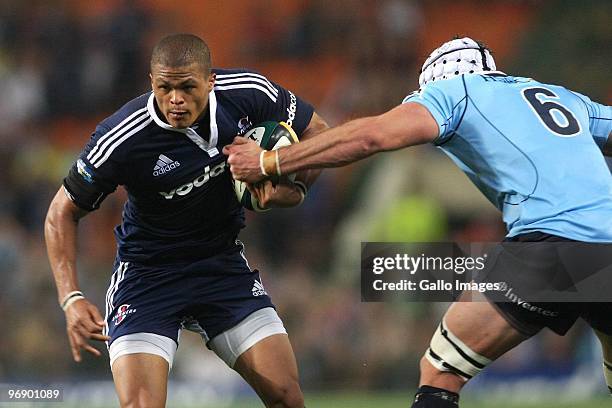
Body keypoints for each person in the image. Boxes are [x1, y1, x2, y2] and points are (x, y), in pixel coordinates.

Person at [224, 37, 612, 407]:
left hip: (553, 243)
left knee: (441, 370)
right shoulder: (560, 97)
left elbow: (372, 136)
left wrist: (268, 162)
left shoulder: (455, 91)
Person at [45, 33, 328, 408]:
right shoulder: (121, 137)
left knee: (287, 396)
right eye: (165, 87)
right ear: (151, 82)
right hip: (148, 277)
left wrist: (294, 189)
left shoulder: (248, 93)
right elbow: (59, 213)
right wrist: (71, 298)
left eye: (187, 87)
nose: (175, 100)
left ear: (210, 81)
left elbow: (318, 134)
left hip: (220, 266)